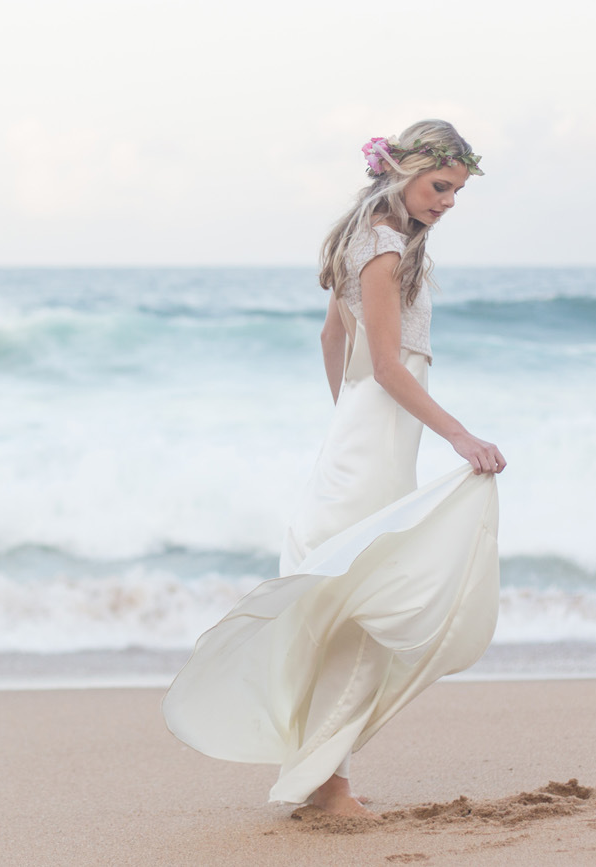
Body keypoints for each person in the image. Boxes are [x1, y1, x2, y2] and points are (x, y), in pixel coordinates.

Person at [163, 120, 504, 818]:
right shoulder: (381, 244)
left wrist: (349, 422)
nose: (446, 202)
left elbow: (331, 340)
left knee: (347, 605)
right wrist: (458, 434)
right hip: (374, 440)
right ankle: (328, 786)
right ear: (402, 172)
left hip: (359, 438)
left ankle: (324, 778)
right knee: (362, 611)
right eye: (440, 186)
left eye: (456, 192)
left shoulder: (372, 237)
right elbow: (384, 365)